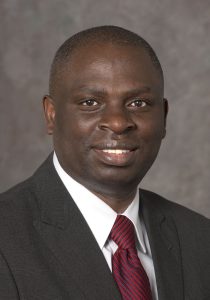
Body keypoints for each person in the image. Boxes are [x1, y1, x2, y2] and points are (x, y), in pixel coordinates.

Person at [0, 25, 209, 300]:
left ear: (164, 117)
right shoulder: (7, 240)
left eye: (138, 103)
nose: (118, 123)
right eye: (90, 102)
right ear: (51, 115)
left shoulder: (200, 239)